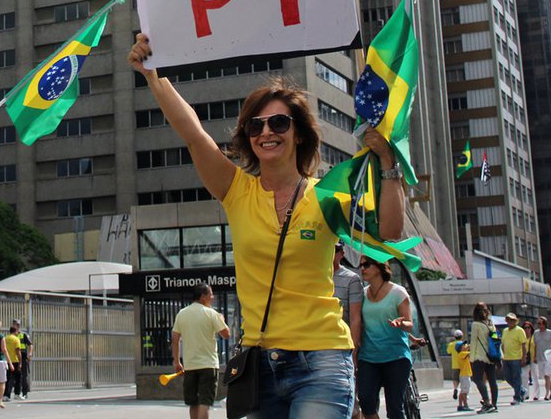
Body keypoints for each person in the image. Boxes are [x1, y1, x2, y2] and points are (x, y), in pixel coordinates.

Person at [128, 37, 406, 419]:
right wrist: (153, 75)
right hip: (260, 366)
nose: (266, 132)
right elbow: (193, 134)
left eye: (278, 122)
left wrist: (388, 161)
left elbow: (391, 230)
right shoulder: (235, 189)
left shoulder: (327, 196)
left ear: (300, 133)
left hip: (322, 358)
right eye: (255, 125)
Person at [357, 258, 414, 419]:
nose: (362, 268)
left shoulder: (398, 292)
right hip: (368, 357)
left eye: (366, 265)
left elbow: (409, 324)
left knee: (395, 408)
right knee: (366, 401)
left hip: (396, 357)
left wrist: (400, 323)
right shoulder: (362, 294)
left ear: (380, 267)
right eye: (360, 265)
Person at [171, 283, 229, 419]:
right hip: (208, 365)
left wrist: (177, 361)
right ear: (203, 297)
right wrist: (222, 320)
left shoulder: (182, 313)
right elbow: (226, 334)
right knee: (204, 402)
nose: (212, 297)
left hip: (190, 366)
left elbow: (175, 338)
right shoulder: (211, 313)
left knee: (193, 403)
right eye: (211, 294)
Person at [332, 243, 363, 355]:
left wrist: (353, 351)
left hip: (341, 343)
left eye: (335, 250)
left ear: (342, 254)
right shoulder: (314, 276)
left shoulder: (352, 279)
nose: (331, 253)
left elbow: (355, 318)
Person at [469, 301, 500, 414]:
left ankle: (487, 402)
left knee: (477, 379)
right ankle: (494, 404)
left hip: (479, 356)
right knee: (492, 381)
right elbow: (496, 341)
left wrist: (471, 358)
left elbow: (474, 342)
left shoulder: (475, 325)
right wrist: (498, 358)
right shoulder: (491, 324)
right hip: (491, 356)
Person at [501, 312, 527, 405]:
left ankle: (517, 397)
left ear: (515, 321)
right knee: (507, 376)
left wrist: (524, 357)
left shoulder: (519, 330)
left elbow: (523, 344)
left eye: (512, 320)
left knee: (516, 377)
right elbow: (503, 344)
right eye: (508, 320)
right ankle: (521, 390)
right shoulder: (505, 331)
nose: (510, 322)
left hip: (516, 357)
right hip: (506, 357)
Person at [532, 316, 551, 400]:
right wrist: (534, 356)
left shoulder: (550, 333)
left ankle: (547, 394)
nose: (541, 325)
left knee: (547, 375)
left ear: (545, 324)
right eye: (539, 323)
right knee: (545, 377)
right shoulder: (536, 333)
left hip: (548, 357)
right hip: (540, 357)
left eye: (542, 323)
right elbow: (535, 346)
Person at [11, 319, 32, 400]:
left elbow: (30, 345)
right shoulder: (11, 335)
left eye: (19, 324)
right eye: (16, 324)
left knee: (23, 375)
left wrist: (29, 354)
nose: (17, 326)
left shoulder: (23, 335)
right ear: (13, 325)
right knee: (14, 376)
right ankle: (16, 393)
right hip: (14, 357)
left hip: (22, 357)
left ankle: (25, 393)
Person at [521, 321, 541, 401]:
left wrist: (536, 356)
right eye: (525, 328)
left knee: (535, 376)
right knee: (524, 376)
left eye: (528, 327)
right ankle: (526, 394)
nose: (527, 329)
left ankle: (536, 394)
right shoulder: (522, 337)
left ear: (531, 328)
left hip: (533, 358)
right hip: (525, 358)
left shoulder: (533, 337)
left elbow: (536, 346)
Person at [454, 341, 474, 412]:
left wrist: (469, 346)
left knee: (462, 391)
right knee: (465, 391)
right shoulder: (462, 354)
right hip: (465, 375)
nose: (465, 346)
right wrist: (471, 346)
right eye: (463, 345)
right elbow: (470, 352)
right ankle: (465, 405)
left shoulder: (462, 353)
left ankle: (460, 405)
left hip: (463, 375)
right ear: (460, 348)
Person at [3, 325, 21, 401]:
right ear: (15, 331)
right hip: (15, 361)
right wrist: (20, 362)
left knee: (7, 379)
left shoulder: (5, 338)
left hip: (6, 361)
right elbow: (18, 351)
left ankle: (6, 395)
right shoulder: (16, 339)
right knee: (18, 378)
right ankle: (17, 394)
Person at [446, 329, 464, 401]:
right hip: (463, 365)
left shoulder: (451, 344)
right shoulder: (464, 344)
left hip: (455, 364)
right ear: (462, 336)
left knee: (455, 379)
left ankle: (455, 388)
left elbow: (448, 352)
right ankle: (463, 393)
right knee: (463, 380)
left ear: (454, 337)